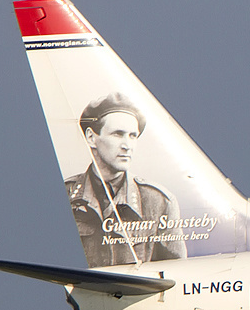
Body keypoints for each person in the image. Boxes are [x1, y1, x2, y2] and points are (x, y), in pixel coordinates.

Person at [64, 93, 186, 267]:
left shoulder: (159, 202)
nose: (127, 145)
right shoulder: (65, 195)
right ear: (91, 137)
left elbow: (178, 272)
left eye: (133, 136)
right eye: (118, 134)